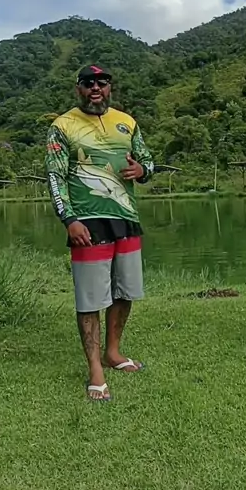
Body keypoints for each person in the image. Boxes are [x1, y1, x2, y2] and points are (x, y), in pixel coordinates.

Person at [45, 64, 154, 401]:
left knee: (125, 291)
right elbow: (55, 177)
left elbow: (148, 162)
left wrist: (143, 170)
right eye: (88, 83)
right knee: (90, 298)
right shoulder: (62, 126)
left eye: (102, 83)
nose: (96, 88)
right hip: (87, 222)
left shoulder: (127, 122)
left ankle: (113, 352)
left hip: (126, 218)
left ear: (110, 87)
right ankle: (95, 368)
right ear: (79, 88)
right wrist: (69, 219)